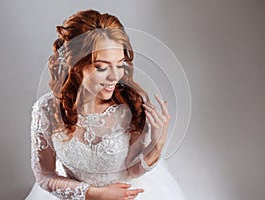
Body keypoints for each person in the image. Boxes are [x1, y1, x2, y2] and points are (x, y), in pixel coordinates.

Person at [26, 9, 187, 200]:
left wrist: (157, 143)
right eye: (101, 67)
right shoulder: (46, 110)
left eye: (120, 64)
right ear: (76, 66)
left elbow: (133, 170)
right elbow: (45, 176)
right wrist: (95, 194)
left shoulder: (131, 105)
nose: (115, 76)